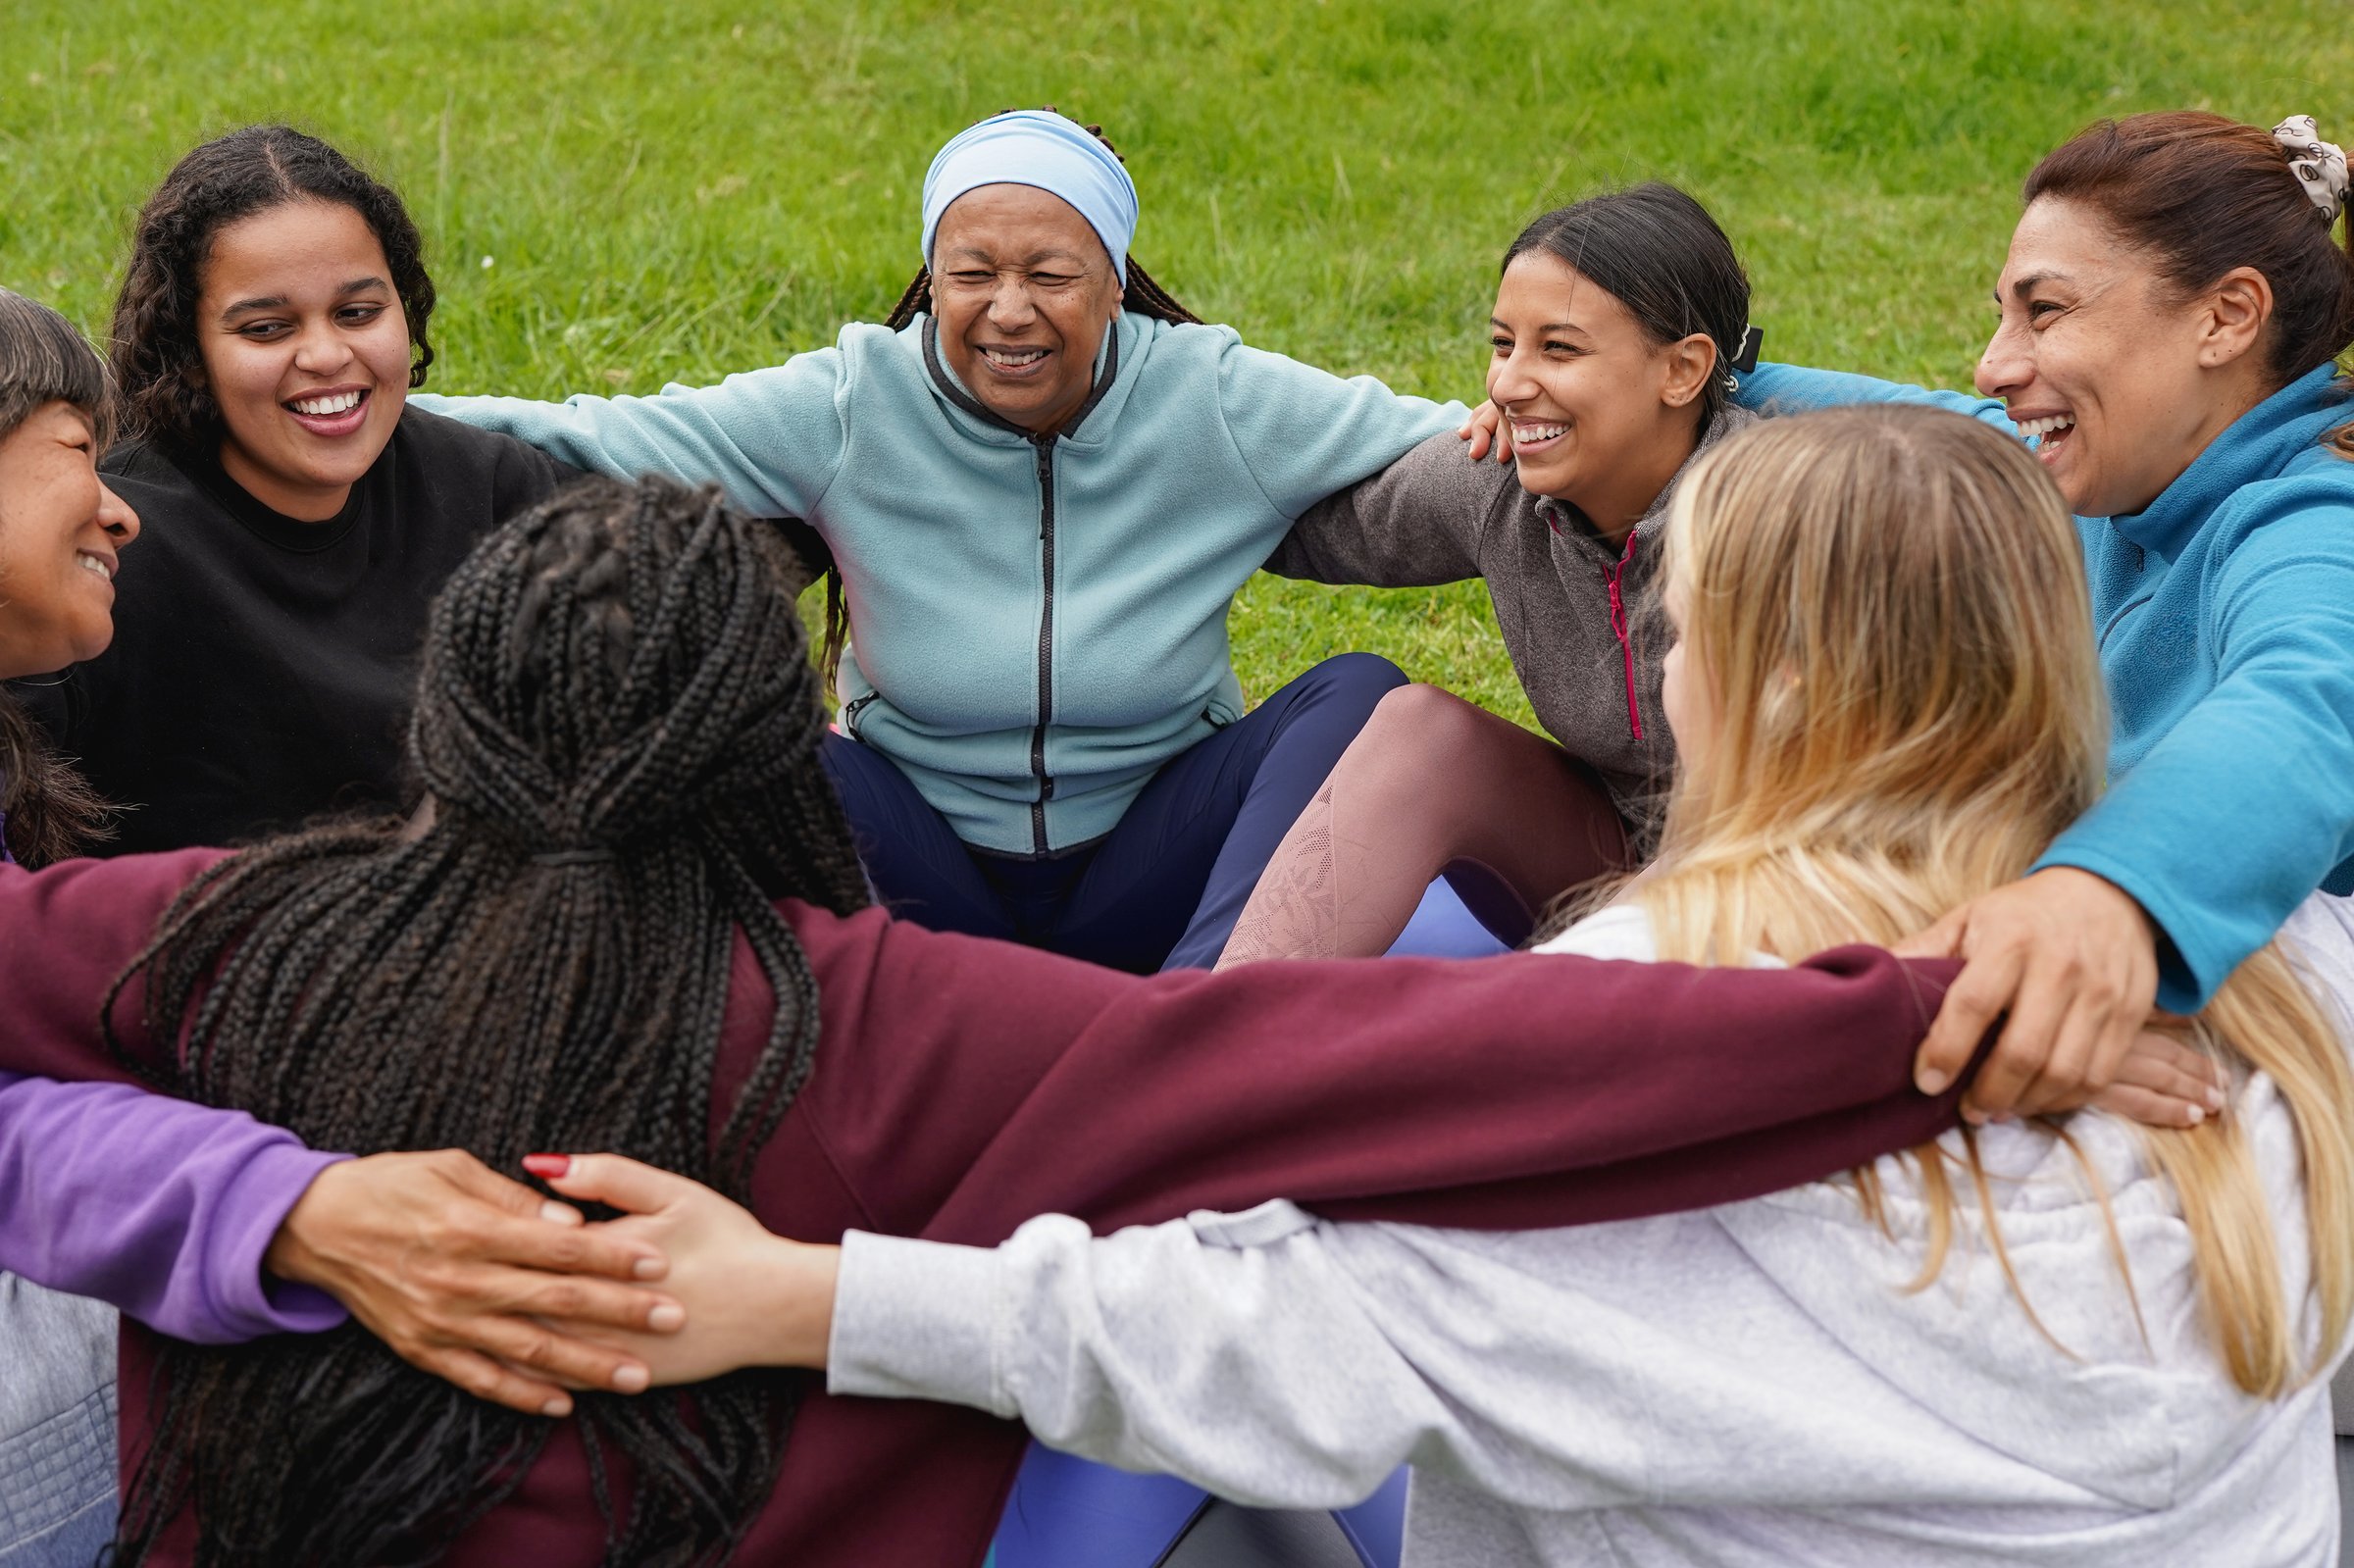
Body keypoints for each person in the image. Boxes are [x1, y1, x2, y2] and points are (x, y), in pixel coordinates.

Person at [0, 472, 2221, 1568]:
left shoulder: (225, 933)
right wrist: (1933, 1010)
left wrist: (259, 1198)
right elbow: (1480, 1064)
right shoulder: (892, 1017)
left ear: (453, 708)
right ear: (770, 727)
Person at [603, 406, 2354, 1566]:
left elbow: (1273, 1334)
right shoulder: (2270, 974)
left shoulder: (1654, 1009)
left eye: (1682, 633)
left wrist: (796, 1294)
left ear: (1788, 677)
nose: (1661, 675)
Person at [408, 109, 1464, 973]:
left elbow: (1453, 438)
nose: (1009, 312)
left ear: (1113, 279)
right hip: (927, 875)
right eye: (973, 275)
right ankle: (896, 1017)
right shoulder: (853, 400)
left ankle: (1191, 1027)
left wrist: (1546, 416)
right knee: (755, 725)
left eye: (1051, 275)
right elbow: (593, 435)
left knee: (1360, 693)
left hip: (1154, 862)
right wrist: (370, 410)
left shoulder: (1214, 396)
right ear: (932, 276)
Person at [1222, 181, 1760, 963]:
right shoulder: (1498, 485)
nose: (1506, 384)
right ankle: (1226, 1031)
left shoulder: (1793, 518)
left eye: (1559, 348)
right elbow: (1310, 523)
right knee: (1424, 732)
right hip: (1609, 859)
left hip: (1792, 889)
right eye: (1504, 344)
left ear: (1683, 371)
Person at [12, 125, 578, 854]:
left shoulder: (492, 489)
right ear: (188, 349)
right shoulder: (109, 540)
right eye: (268, 327)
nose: (326, 355)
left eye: (358, 313)